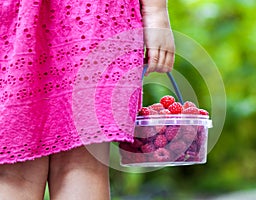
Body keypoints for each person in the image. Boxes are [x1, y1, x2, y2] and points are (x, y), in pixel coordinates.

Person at [0, 0, 174, 199]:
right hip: (91, 15)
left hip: (87, 13)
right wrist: (155, 11)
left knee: (18, 172)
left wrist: (156, 12)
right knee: (78, 164)